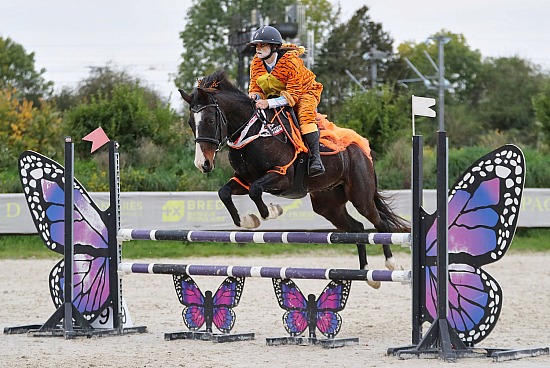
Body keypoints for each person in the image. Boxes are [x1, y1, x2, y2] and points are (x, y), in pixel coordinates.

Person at [247, 25, 325, 177]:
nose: (258, 49)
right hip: (277, 95)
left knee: (304, 114)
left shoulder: (291, 62)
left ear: (274, 47)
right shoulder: (256, 62)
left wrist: (268, 103)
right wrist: (254, 96)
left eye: (262, 45)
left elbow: (293, 97)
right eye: (256, 45)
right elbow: (255, 88)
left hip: (304, 92)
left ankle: (316, 159)